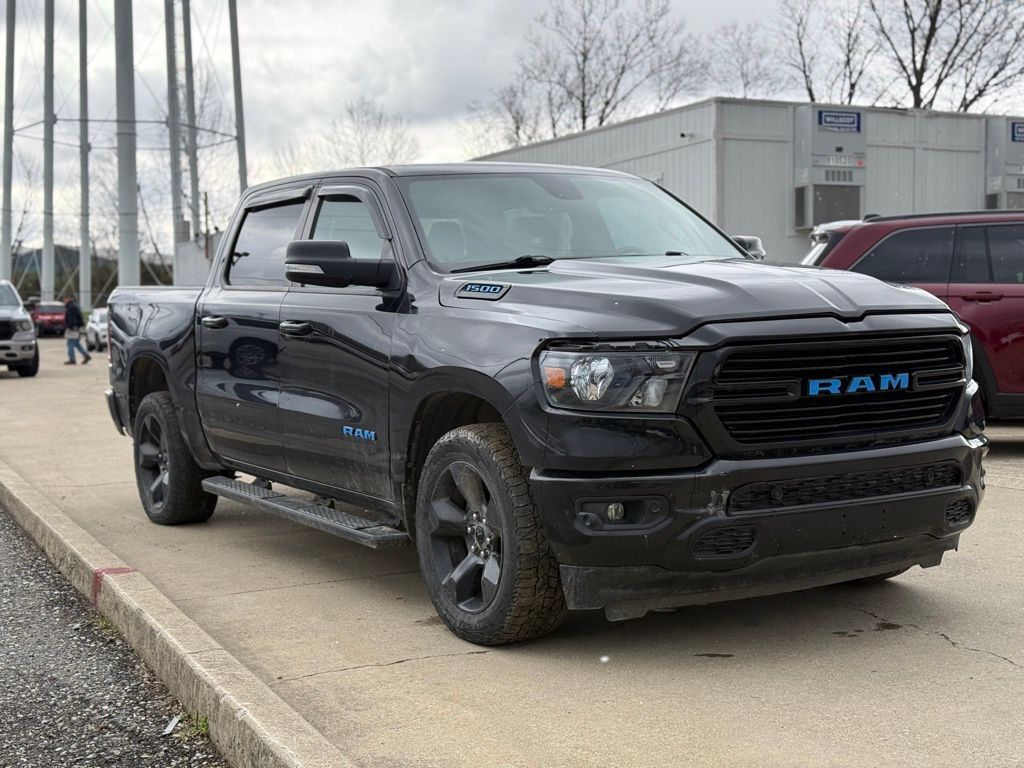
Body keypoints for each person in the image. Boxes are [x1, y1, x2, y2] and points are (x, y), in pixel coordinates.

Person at [62, 294, 91, 365]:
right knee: (76, 343)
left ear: (68, 298)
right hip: (77, 328)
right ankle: (86, 355)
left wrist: (70, 327)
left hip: (73, 328)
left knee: (70, 343)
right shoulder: (74, 306)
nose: (64, 301)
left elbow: (72, 319)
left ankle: (72, 359)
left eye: (64, 299)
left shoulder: (71, 307)